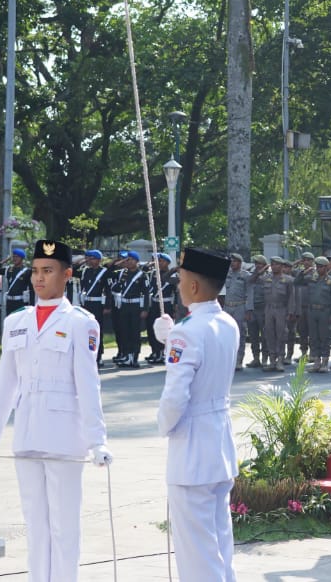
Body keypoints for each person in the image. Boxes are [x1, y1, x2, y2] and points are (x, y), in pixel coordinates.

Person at [0, 239, 112, 582]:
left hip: (64, 437)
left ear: (67, 275)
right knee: (35, 525)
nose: (39, 279)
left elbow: (88, 384)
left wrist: (97, 440)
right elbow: (7, 382)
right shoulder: (17, 322)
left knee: (64, 526)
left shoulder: (80, 322)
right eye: (36, 271)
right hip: (27, 432)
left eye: (48, 271)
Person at [152, 248, 239, 582]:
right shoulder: (225, 322)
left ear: (194, 287)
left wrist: (162, 426)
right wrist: (170, 336)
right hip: (218, 444)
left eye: (182, 279)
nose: (178, 285)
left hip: (191, 451)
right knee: (219, 543)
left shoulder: (187, 331)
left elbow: (176, 397)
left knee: (196, 554)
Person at [109, 250, 151, 368]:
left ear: (136, 261)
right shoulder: (122, 273)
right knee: (124, 331)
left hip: (136, 306)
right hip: (124, 306)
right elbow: (110, 275)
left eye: (130, 260)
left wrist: (145, 309)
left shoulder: (142, 275)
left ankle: (134, 357)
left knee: (134, 332)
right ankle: (126, 355)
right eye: (126, 260)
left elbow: (146, 293)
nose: (128, 262)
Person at [79, 250, 111, 367]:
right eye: (87, 258)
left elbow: (108, 290)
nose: (88, 260)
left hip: (98, 304)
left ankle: (98, 355)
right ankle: (88, 353)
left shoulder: (104, 272)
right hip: (87, 304)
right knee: (86, 331)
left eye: (91, 258)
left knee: (97, 330)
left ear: (98, 260)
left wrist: (107, 306)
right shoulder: (85, 271)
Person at [221, 253, 253, 371]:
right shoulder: (227, 274)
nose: (232, 263)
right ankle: (229, 359)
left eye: (234, 261)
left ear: (240, 263)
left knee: (240, 333)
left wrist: (249, 309)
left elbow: (250, 292)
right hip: (227, 307)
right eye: (231, 261)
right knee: (225, 334)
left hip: (240, 307)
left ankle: (239, 359)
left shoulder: (246, 275)